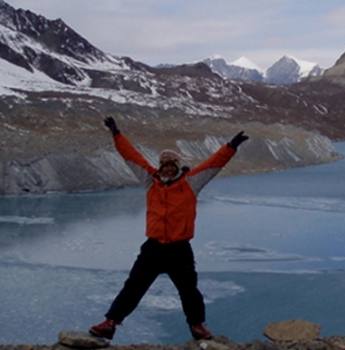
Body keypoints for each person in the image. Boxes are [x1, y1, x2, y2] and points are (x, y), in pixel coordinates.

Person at [89, 117, 248, 340]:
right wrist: (116, 134)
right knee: (133, 286)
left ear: (176, 167)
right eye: (164, 165)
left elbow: (213, 165)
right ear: (160, 166)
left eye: (171, 165)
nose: (167, 168)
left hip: (179, 249)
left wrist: (230, 147)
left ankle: (197, 326)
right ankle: (111, 322)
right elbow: (131, 156)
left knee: (189, 291)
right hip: (153, 248)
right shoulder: (150, 181)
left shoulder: (191, 183)